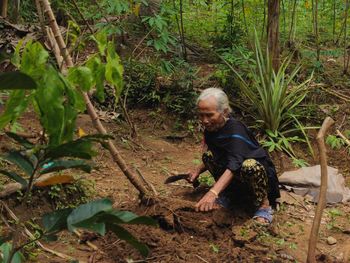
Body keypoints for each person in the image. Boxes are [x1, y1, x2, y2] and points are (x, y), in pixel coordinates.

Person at [188, 88, 280, 224]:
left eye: (209, 115)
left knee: (250, 166)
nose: (204, 120)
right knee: (208, 156)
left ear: (224, 111)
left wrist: (213, 192)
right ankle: (229, 195)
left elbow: (235, 164)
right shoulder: (212, 129)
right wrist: (197, 171)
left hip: (257, 177)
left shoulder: (235, 130)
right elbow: (218, 153)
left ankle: (264, 205)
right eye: (201, 115)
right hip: (237, 176)